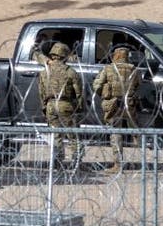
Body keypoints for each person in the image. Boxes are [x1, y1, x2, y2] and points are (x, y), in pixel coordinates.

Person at [92, 46, 140, 171]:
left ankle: (118, 164)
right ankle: (140, 162)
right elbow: (138, 84)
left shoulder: (108, 68)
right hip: (129, 103)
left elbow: (96, 85)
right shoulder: (133, 69)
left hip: (114, 104)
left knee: (115, 133)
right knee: (136, 133)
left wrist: (105, 95)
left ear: (115, 55)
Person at [38, 41, 84, 169]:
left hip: (51, 105)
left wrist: (44, 107)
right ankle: (76, 162)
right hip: (65, 104)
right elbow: (79, 92)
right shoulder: (70, 72)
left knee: (56, 135)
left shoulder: (44, 72)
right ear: (65, 55)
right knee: (73, 135)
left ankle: (57, 162)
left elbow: (41, 92)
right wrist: (80, 108)